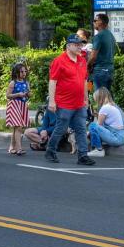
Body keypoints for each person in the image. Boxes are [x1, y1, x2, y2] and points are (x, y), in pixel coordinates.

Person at [45, 34, 95, 166]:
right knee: (61, 128)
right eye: (77, 44)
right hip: (64, 102)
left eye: (81, 44)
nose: (80, 47)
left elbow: (84, 81)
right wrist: (52, 101)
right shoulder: (59, 61)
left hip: (79, 102)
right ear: (68, 46)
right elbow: (53, 81)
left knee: (81, 129)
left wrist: (86, 98)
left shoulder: (82, 61)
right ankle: (50, 150)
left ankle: (83, 155)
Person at [88, 87, 124, 154]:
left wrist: (88, 133)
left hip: (116, 138)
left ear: (99, 98)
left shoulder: (105, 108)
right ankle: (97, 148)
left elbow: (98, 126)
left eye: (96, 99)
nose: (96, 101)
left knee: (92, 126)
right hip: (121, 136)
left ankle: (98, 150)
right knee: (95, 127)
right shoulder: (113, 106)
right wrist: (98, 115)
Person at [5, 61, 30, 155]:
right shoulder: (13, 83)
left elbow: (28, 94)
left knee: (17, 128)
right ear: (16, 73)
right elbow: (8, 95)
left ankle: (12, 147)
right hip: (14, 105)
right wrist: (18, 94)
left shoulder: (26, 83)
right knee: (18, 127)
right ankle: (19, 148)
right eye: (22, 72)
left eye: (25, 71)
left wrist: (28, 94)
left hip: (22, 106)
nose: (24, 73)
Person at [88, 13, 116, 96]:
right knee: (108, 98)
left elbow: (93, 56)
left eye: (95, 21)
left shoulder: (99, 36)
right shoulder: (110, 35)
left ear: (100, 22)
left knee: (101, 98)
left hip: (100, 71)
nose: (93, 23)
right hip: (110, 70)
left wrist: (87, 65)